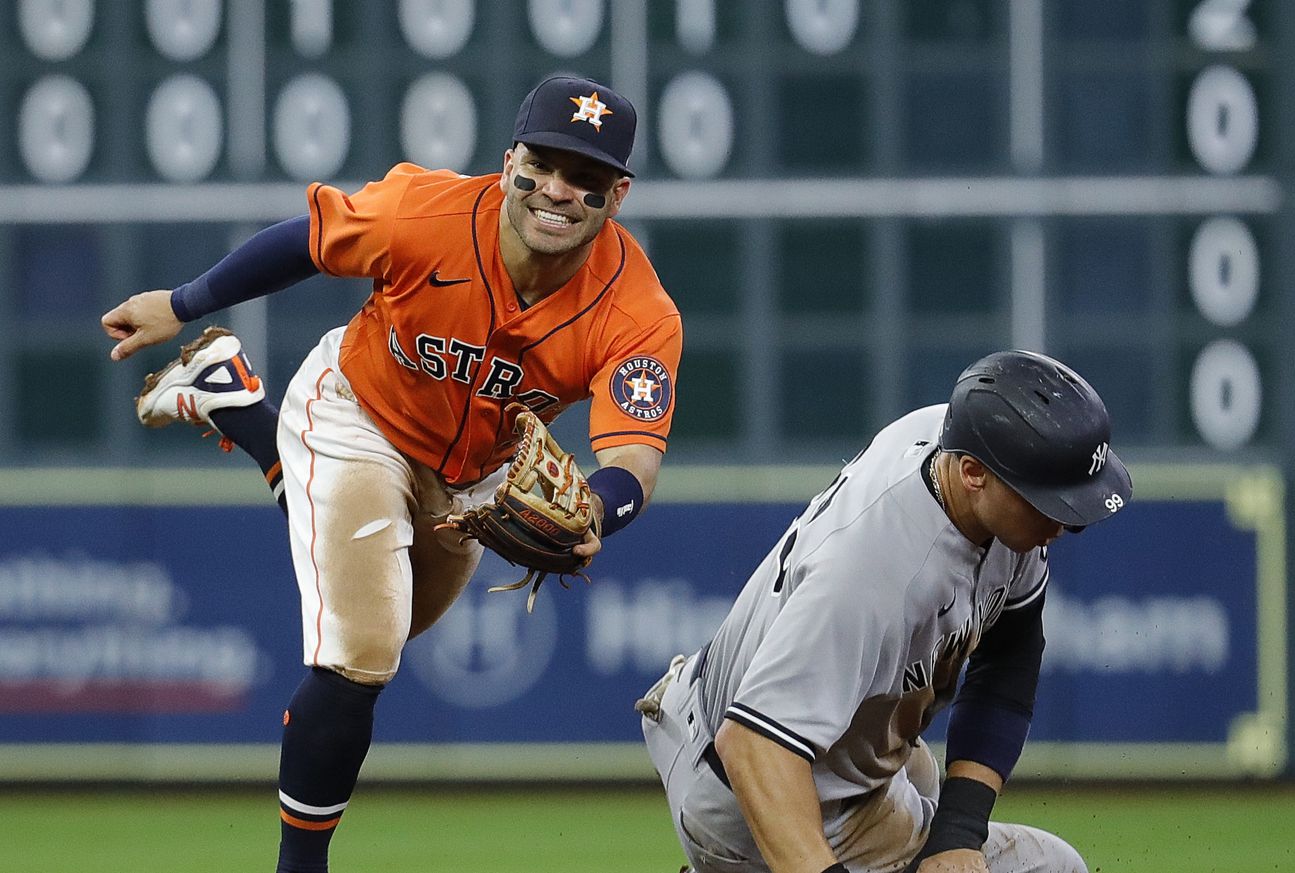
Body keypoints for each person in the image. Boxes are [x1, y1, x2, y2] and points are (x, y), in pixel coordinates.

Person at [101, 76, 681, 873]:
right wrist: (183, 298)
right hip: (354, 415)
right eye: (542, 163)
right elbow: (307, 240)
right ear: (508, 158)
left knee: (383, 625)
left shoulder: (640, 312)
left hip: (472, 480)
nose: (557, 190)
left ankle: (234, 403)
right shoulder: (429, 213)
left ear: (617, 193)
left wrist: (593, 513)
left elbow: (633, 462)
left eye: (584, 178)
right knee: (359, 653)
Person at [637, 350, 1131, 873]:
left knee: (930, 790)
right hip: (749, 788)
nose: (1064, 521)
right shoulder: (873, 567)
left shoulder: (979, 458)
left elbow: (1009, 660)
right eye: (1049, 499)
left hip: (848, 760)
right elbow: (754, 746)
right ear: (972, 474)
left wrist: (959, 834)